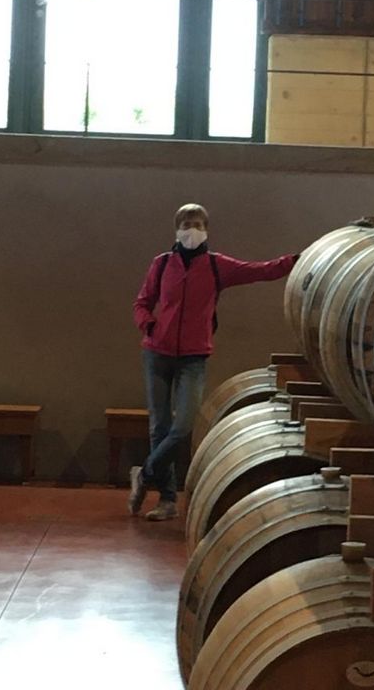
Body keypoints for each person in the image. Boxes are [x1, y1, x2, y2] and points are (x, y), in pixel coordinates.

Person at [130, 202, 298, 521]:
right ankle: (167, 499)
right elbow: (142, 302)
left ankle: (145, 473)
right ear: (176, 229)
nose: (191, 230)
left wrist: (296, 260)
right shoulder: (162, 264)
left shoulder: (216, 266)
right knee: (159, 427)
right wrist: (148, 325)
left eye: (197, 224)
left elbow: (260, 270)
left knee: (183, 426)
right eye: (186, 224)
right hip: (157, 354)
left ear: (206, 229)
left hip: (193, 357)